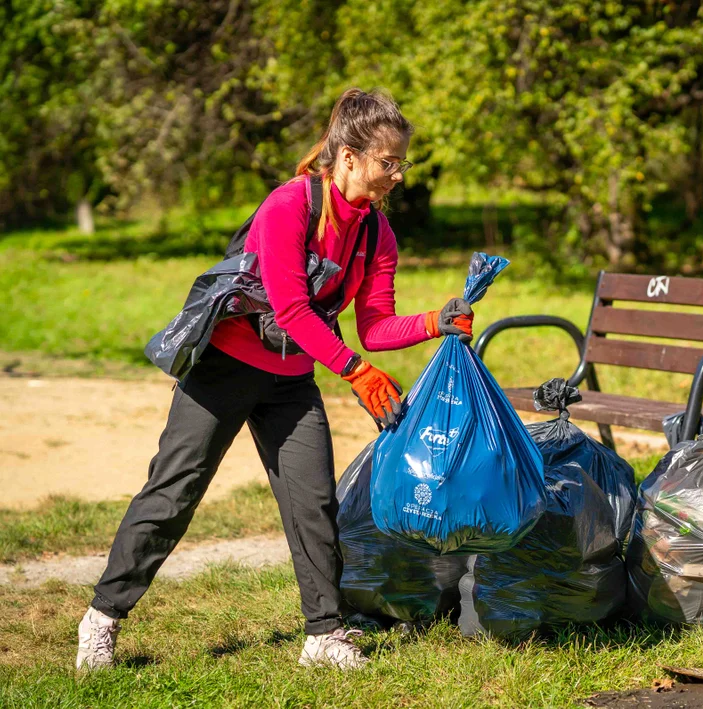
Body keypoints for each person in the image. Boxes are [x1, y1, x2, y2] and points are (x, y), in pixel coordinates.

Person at [76, 88, 473, 671]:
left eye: (401, 164)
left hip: (289, 378)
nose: (397, 176)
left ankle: (324, 634)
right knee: (175, 490)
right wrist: (356, 374)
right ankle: (102, 618)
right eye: (389, 163)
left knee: (314, 502)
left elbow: (377, 325)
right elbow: (290, 309)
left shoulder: (375, 233)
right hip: (226, 367)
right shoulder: (288, 206)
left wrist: (436, 322)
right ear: (350, 158)